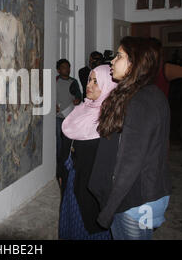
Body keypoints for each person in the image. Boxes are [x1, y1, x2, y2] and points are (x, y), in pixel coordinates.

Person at [89, 37, 171, 240]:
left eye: (119, 56)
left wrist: (109, 209)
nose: (112, 61)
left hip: (132, 201)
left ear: (136, 63)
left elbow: (130, 163)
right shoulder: (138, 95)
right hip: (130, 197)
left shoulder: (141, 101)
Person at [58, 64, 117, 240]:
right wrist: (61, 171)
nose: (89, 85)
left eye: (96, 82)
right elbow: (67, 145)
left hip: (92, 189)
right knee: (71, 222)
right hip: (72, 182)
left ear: (108, 85)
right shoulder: (81, 109)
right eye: (89, 80)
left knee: (88, 226)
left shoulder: (110, 120)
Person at [56, 59, 82, 196]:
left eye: (68, 67)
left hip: (70, 117)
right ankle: (58, 170)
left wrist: (77, 99)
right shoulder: (54, 81)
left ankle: (67, 166)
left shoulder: (73, 82)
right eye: (64, 67)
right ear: (58, 70)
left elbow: (79, 95)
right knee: (58, 143)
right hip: (57, 117)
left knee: (68, 144)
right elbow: (48, 95)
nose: (67, 69)